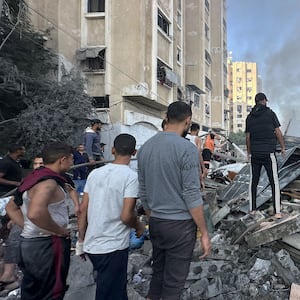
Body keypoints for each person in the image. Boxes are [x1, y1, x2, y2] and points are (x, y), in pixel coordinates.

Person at [137, 101, 211, 300]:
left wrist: (154, 216)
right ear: (188, 121)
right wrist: (204, 232)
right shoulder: (186, 149)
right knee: (174, 283)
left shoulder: (145, 148)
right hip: (179, 226)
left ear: (166, 118)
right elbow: (191, 195)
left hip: (156, 223)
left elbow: (143, 192)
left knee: (158, 274)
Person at [77, 133, 144, 300]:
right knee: (109, 293)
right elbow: (126, 215)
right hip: (112, 246)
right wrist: (138, 226)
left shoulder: (95, 174)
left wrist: (81, 241)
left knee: (114, 289)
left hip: (93, 245)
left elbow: (83, 209)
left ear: (113, 150)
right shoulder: (131, 177)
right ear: (134, 152)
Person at [6, 141, 73, 300]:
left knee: (33, 290)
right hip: (47, 245)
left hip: (29, 243)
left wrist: (29, 227)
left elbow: (11, 207)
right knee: (51, 292)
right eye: (71, 159)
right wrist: (60, 231)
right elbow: (36, 213)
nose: (73, 162)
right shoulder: (48, 183)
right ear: (62, 160)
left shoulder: (33, 178)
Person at [245, 92, 286, 219]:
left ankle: (252, 210)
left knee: (253, 181)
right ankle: (277, 211)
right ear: (263, 101)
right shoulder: (270, 114)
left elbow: (248, 137)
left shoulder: (249, 117)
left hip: (255, 153)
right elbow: (278, 132)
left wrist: (249, 152)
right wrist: (283, 147)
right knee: (274, 181)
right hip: (268, 153)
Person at [0, 144, 25, 290]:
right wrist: (16, 184)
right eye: (22, 149)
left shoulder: (15, 162)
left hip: (11, 199)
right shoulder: (5, 162)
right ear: (18, 150)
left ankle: (7, 274)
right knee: (9, 235)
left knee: (9, 236)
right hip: (5, 199)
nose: (24, 150)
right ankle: (7, 276)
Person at [187, 123, 206, 189]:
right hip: (192, 163)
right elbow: (198, 154)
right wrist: (203, 168)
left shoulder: (185, 136)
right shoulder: (197, 139)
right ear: (197, 130)